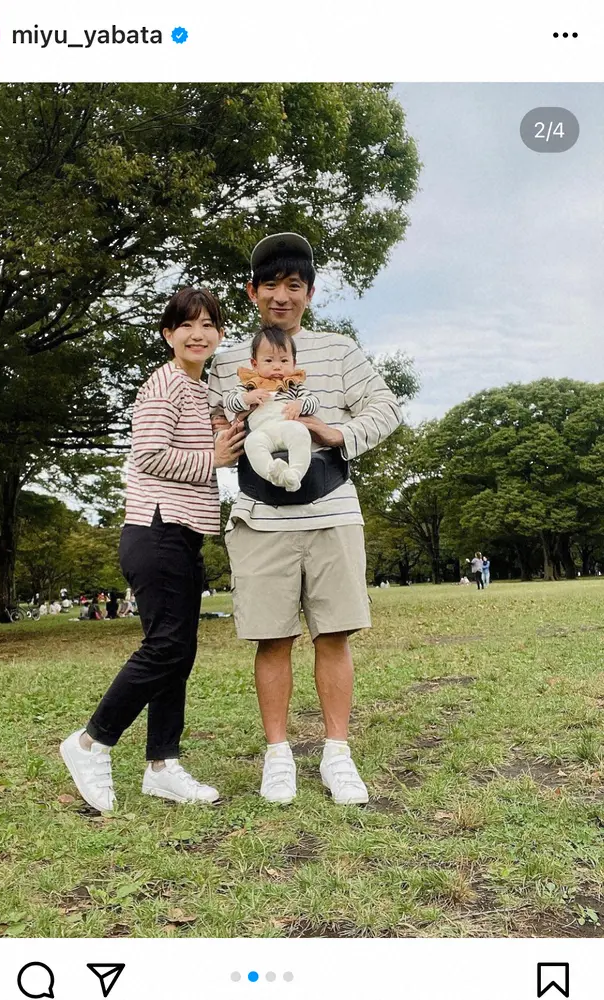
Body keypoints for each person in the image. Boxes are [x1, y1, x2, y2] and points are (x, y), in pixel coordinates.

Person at [209, 233, 403, 805]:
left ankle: (337, 753)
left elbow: (386, 408)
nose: (282, 296)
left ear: (310, 293)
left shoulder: (338, 350)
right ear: (252, 292)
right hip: (258, 513)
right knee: (271, 638)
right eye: (270, 285)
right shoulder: (226, 361)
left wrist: (334, 432)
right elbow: (211, 422)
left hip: (332, 507)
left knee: (334, 633)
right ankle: (278, 756)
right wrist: (228, 436)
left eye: (294, 285)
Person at [60, 287, 245, 810]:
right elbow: (148, 455)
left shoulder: (201, 388)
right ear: (168, 334)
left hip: (182, 533)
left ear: (220, 334)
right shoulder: (164, 384)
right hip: (156, 527)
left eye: (208, 324)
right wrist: (212, 459)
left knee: (179, 651)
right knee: (166, 647)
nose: (198, 334)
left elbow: (223, 430)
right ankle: (90, 742)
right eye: (186, 324)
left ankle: (162, 766)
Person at [225, 325, 319, 492]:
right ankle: (273, 473)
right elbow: (230, 402)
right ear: (255, 364)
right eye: (269, 361)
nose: (277, 367)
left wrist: (299, 404)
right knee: (252, 443)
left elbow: (313, 402)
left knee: (300, 433)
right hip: (261, 431)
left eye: (284, 361)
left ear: (294, 363)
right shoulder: (249, 385)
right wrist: (247, 398)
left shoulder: (294, 385)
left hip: (287, 425)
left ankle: (295, 474)